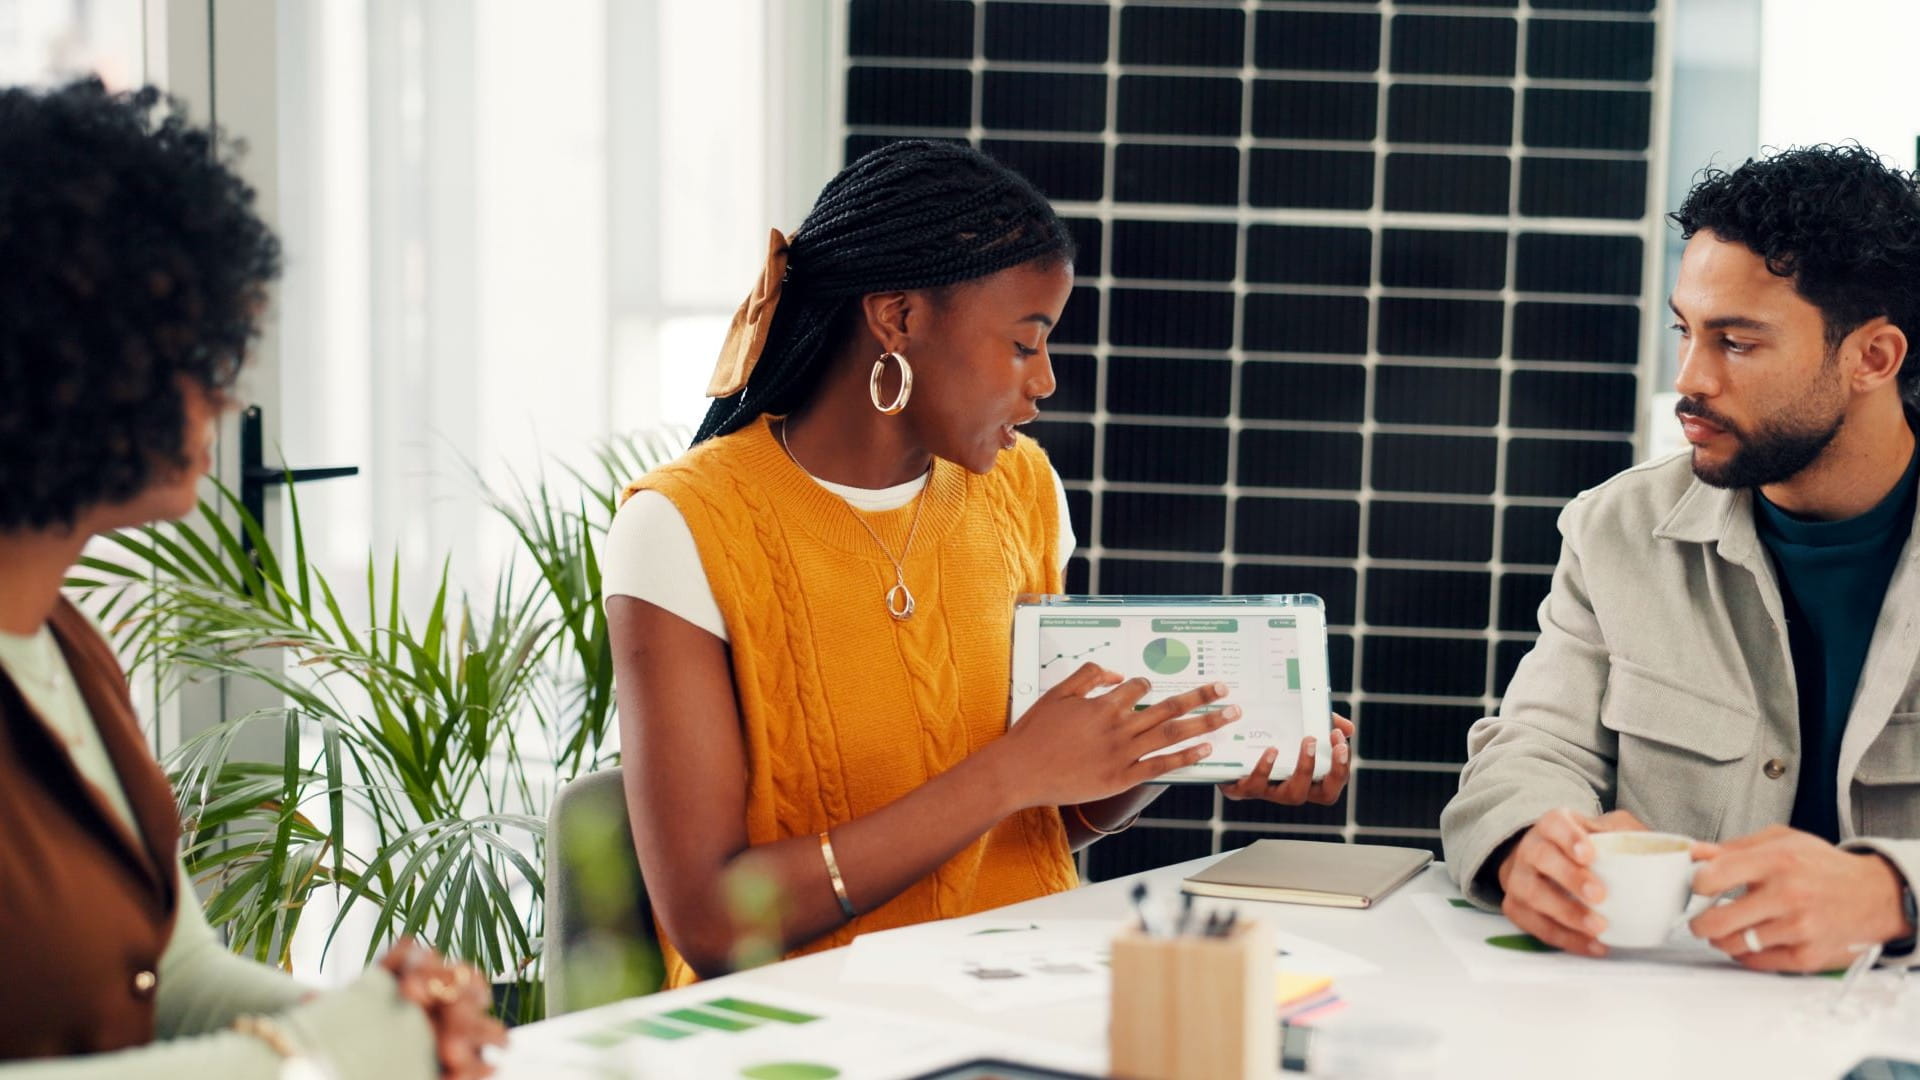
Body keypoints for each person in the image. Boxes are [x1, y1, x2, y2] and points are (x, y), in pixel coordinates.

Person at [604, 139, 1354, 986]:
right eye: (1025, 343)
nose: (1047, 381)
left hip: (1028, 991)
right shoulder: (683, 525)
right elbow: (710, 921)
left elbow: (1033, 824)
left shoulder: (1023, 490)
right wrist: (1008, 773)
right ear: (899, 319)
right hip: (817, 1025)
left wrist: (1180, 745)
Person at [0, 80, 503, 1076]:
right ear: (63, 360)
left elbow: (175, 975)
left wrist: (387, 1016)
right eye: (186, 352)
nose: (224, 393)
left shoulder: (67, 643)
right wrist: (330, 1050)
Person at [1440, 144, 1920, 973]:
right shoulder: (1616, 527)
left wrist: (1894, 893)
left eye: (1736, 343)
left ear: (1872, 358)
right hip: (1670, 1028)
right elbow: (1529, 750)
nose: (1690, 378)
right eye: (1685, 330)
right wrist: (1526, 842)